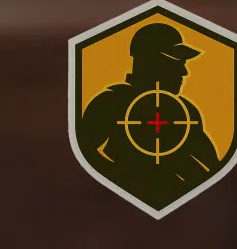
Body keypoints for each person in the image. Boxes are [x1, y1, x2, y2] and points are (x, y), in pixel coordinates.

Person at [77, 22, 224, 209]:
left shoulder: (185, 110)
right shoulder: (112, 102)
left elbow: (212, 167)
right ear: (149, 61)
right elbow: (84, 153)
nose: (184, 72)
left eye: (184, 63)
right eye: (175, 61)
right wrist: (125, 179)